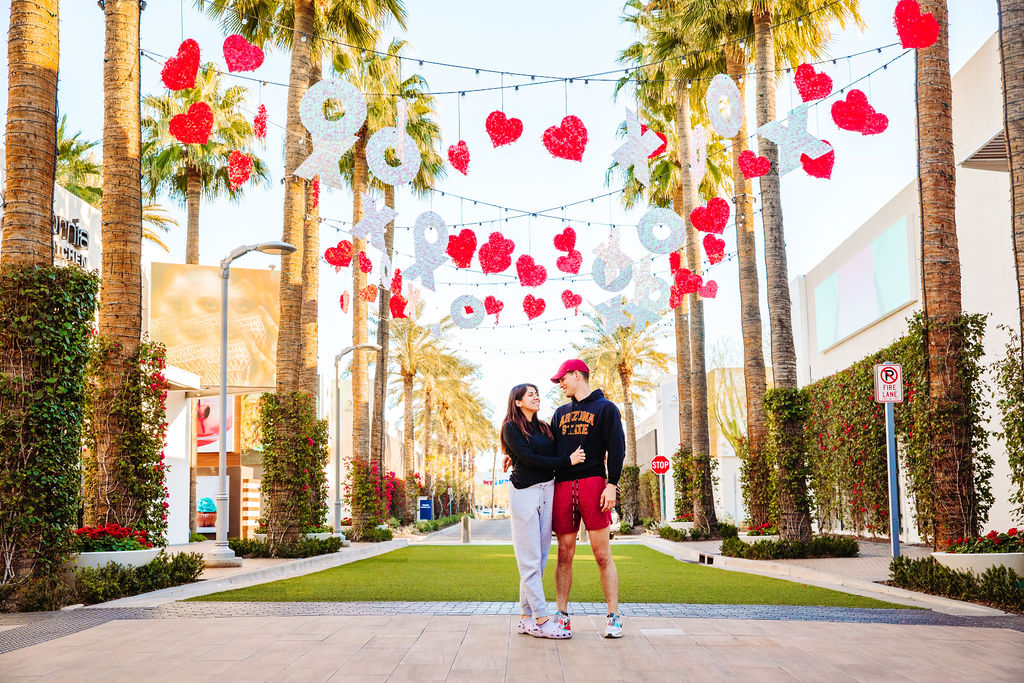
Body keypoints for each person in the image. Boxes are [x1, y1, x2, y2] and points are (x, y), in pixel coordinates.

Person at [500, 383, 585, 640]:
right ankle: (542, 619)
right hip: (524, 493)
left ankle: (526, 619)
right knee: (529, 560)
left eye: (537, 393)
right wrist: (566, 461)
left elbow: (552, 450)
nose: (536, 397)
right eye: (530, 394)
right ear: (517, 402)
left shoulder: (545, 427)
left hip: (548, 490)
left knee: (539, 560)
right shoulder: (511, 427)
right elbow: (529, 459)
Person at [549, 359, 626, 638]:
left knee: (602, 554)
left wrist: (612, 484)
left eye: (563, 379)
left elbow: (617, 449)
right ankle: (561, 615)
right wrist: (513, 454)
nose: (560, 384)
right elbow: (547, 448)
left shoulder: (606, 409)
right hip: (563, 486)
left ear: (578, 376)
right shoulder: (559, 413)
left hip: (594, 484)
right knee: (564, 554)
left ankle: (614, 617)